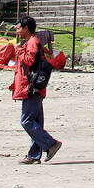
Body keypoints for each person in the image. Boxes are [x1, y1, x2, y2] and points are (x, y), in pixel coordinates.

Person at [12, 16, 62, 165]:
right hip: (33, 87)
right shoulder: (30, 42)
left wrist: (18, 50)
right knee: (36, 123)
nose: (17, 31)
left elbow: (30, 61)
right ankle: (34, 155)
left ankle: (51, 144)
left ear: (26, 28)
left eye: (18, 28)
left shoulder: (32, 42)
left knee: (26, 121)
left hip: (31, 88)